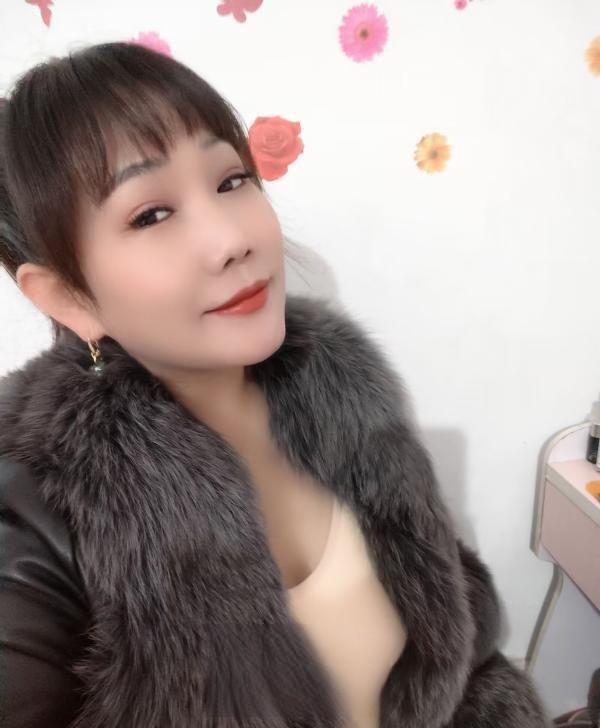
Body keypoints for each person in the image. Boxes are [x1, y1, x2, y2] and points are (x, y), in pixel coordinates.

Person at [0, 41, 550, 728]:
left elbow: (457, 626)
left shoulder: (341, 391)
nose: (232, 239)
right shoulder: (35, 510)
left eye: (231, 180)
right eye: (152, 214)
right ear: (68, 297)